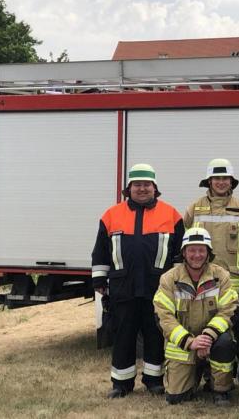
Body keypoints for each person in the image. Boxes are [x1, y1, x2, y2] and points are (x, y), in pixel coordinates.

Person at [91, 163, 185, 398]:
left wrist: (177, 283)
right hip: (124, 287)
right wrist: (100, 280)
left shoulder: (171, 214)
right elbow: (101, 252)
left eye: (147, 184)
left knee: (155, 333)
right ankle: (121, 384)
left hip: (158, 287)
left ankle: (154, 381)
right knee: (124, 334)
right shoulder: (111, 215)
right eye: (137, 185)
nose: (142, 189)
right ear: (129, 188)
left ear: (155, 187)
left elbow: (178, 253)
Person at [152, 228, 239, 405]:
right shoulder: (169, 279)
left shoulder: (220, 276)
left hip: (212, 341)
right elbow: (164, 317)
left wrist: (207, 336)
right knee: (176, 398)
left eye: (201, 250)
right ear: (184, 252)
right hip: (185, 346)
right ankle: (198, 373)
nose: (196, 255)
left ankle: (220, 389)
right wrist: (191, 342)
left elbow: (229, 310)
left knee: (225, 342)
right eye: (192, 250)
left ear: (208, 253)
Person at [183, 158, 239, 360]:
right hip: (203, 280)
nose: (221, 182)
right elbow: (186, 245)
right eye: (216, 178)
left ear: (232, 181)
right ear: (209, 181)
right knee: (207, 324)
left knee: (238, 326)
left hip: (236, 282)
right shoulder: (195, 209)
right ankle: (209, 371)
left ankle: (237, 367)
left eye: (225, 178)